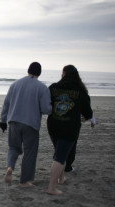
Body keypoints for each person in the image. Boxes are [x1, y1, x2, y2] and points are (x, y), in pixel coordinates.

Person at [0, 62, 52, 188]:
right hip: (31, 124)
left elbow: (6, 104)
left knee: (13, 147)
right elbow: (46, 109)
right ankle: (24, 181)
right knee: (30, 153)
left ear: (28, 70)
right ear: (39, 73)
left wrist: (3, 121)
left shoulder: (15, 84)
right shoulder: (42, 87)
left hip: (13, 121)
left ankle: (10, 167)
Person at [46, 65, 93, 195]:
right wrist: (85, 118)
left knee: (61, 151)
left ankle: (61, 179)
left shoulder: (53, 87)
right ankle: (51, 188)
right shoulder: (80, 91)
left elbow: (45, 104)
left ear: (64, 74)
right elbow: (88, 112)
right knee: (60, 156)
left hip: (53, 125)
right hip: (70, 127)